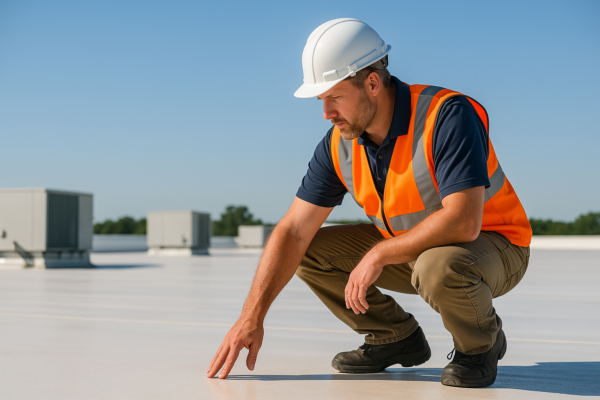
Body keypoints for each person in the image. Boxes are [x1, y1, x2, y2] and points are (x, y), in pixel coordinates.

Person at [207, 18, 531, 388]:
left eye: (334, 97)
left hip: (493, 247)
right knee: (306, 250)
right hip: (413, 249)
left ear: (372, 83)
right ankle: (394, 336)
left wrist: (378, 254)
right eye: (321, 100)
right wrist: (252, 315)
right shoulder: (337, 143)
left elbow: (463, 222)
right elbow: (294, 229)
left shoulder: (446, 115)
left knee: (438, 266)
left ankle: (480, 344)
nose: (326, 113)